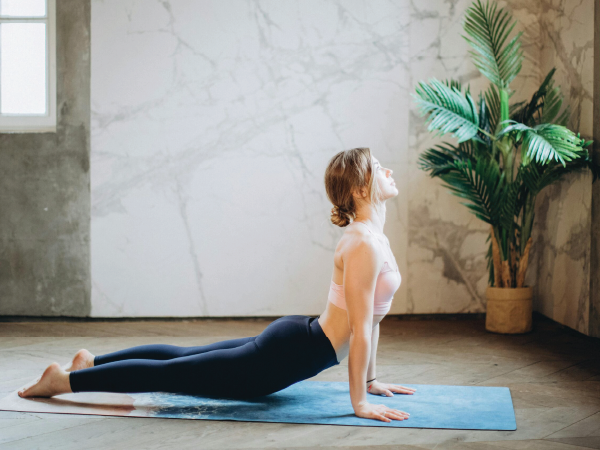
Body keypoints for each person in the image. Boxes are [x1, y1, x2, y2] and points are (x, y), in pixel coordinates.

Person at [18, 147, 415, 423]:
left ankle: (91, 363)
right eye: (380, 167)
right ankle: (64, 381)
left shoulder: (372, 238)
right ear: (362, 189)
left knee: (181, 357)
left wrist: (370, 381)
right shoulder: (363, 243)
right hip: (287, 355)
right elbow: (360, 328)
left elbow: (372, 321)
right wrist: (359, 401)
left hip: (298, 341)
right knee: (171, 374)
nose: (389, 171)